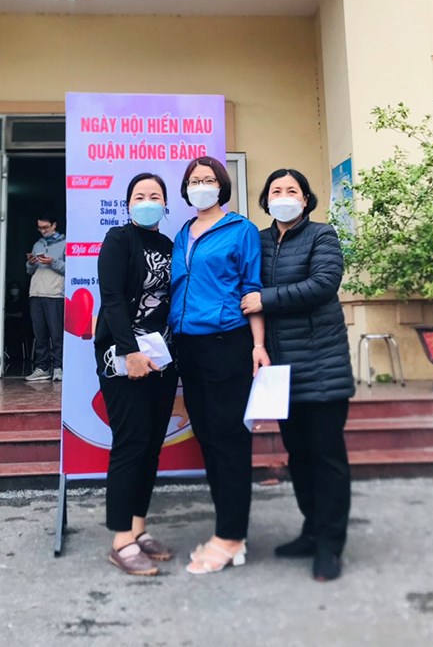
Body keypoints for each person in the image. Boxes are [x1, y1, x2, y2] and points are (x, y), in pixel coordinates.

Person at [241, 168, 355, 582]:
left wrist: (265, 300)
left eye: (293, 190)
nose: (284, 196)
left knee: (327, 457)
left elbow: (323, 284)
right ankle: (311, 530)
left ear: (306, 199)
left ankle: (330, 545)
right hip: (282, 371)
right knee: (300, 457)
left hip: (322, 366)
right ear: (266, 200)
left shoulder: (322, 235)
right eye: (276, 190)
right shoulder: (258, 240)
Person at [169, 156, 268, 575]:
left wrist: (258, 344)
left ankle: (229, 536)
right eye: (194, 181)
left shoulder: (241, 229)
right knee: (207, 437)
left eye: (208, 179)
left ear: (221, 186)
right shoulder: (182, 233)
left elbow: (252, 288)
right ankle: (230, 533)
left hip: (227, 341)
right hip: (188, 346)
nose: (201, 186)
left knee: (229, 439)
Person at [94, 172, 178, 577]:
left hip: (162, 357)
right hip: (122, 356)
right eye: (140, 196)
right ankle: (121, 540)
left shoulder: (170, 246)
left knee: (150, 445)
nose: (147, 201)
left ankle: (139, 530)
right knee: (130, 444)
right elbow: (111, 298)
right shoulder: (118, 240)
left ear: (165, 204)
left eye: (155, 195)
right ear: (128, 204)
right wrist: (129, 352)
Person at [25, 214, 66, 383]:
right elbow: (29, 271)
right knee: (39, 334)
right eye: (40, 228)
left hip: (55, 293)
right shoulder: (37, 244)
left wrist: (52, 262)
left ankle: (58, 367)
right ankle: (42, 367)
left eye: (45, 227)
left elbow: (70, 268)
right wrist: (31, 262)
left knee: (56, 334)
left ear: (54, 225)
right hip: (36, 293)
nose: (43, 231)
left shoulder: (65, 243)